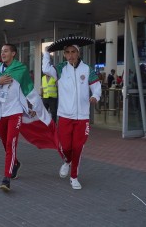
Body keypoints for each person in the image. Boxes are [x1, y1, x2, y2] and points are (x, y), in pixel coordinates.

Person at [42, 37, 101, 190]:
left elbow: (96, 86)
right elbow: (46, 69)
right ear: (64, 54)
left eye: (73, 52)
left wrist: (95, 96)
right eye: (67, 52)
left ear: (78, 52)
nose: (70, 55)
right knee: (66, 147)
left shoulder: (87, 69)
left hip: (82, 117)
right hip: (65, 116)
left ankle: (74, 176)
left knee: (78, 147)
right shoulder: (61, 69)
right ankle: (67, 161)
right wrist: (47, 53)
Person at [0, 44, 37, 191]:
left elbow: (28, 89)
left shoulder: (21, 69)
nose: (3, 53)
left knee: (10, 144)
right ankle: (16, 163)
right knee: (5, 143)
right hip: (0, 113)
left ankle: (6, 179)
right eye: (1, 51)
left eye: (6, 51)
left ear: (13, 53)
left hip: (15, 112)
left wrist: (33, 106)